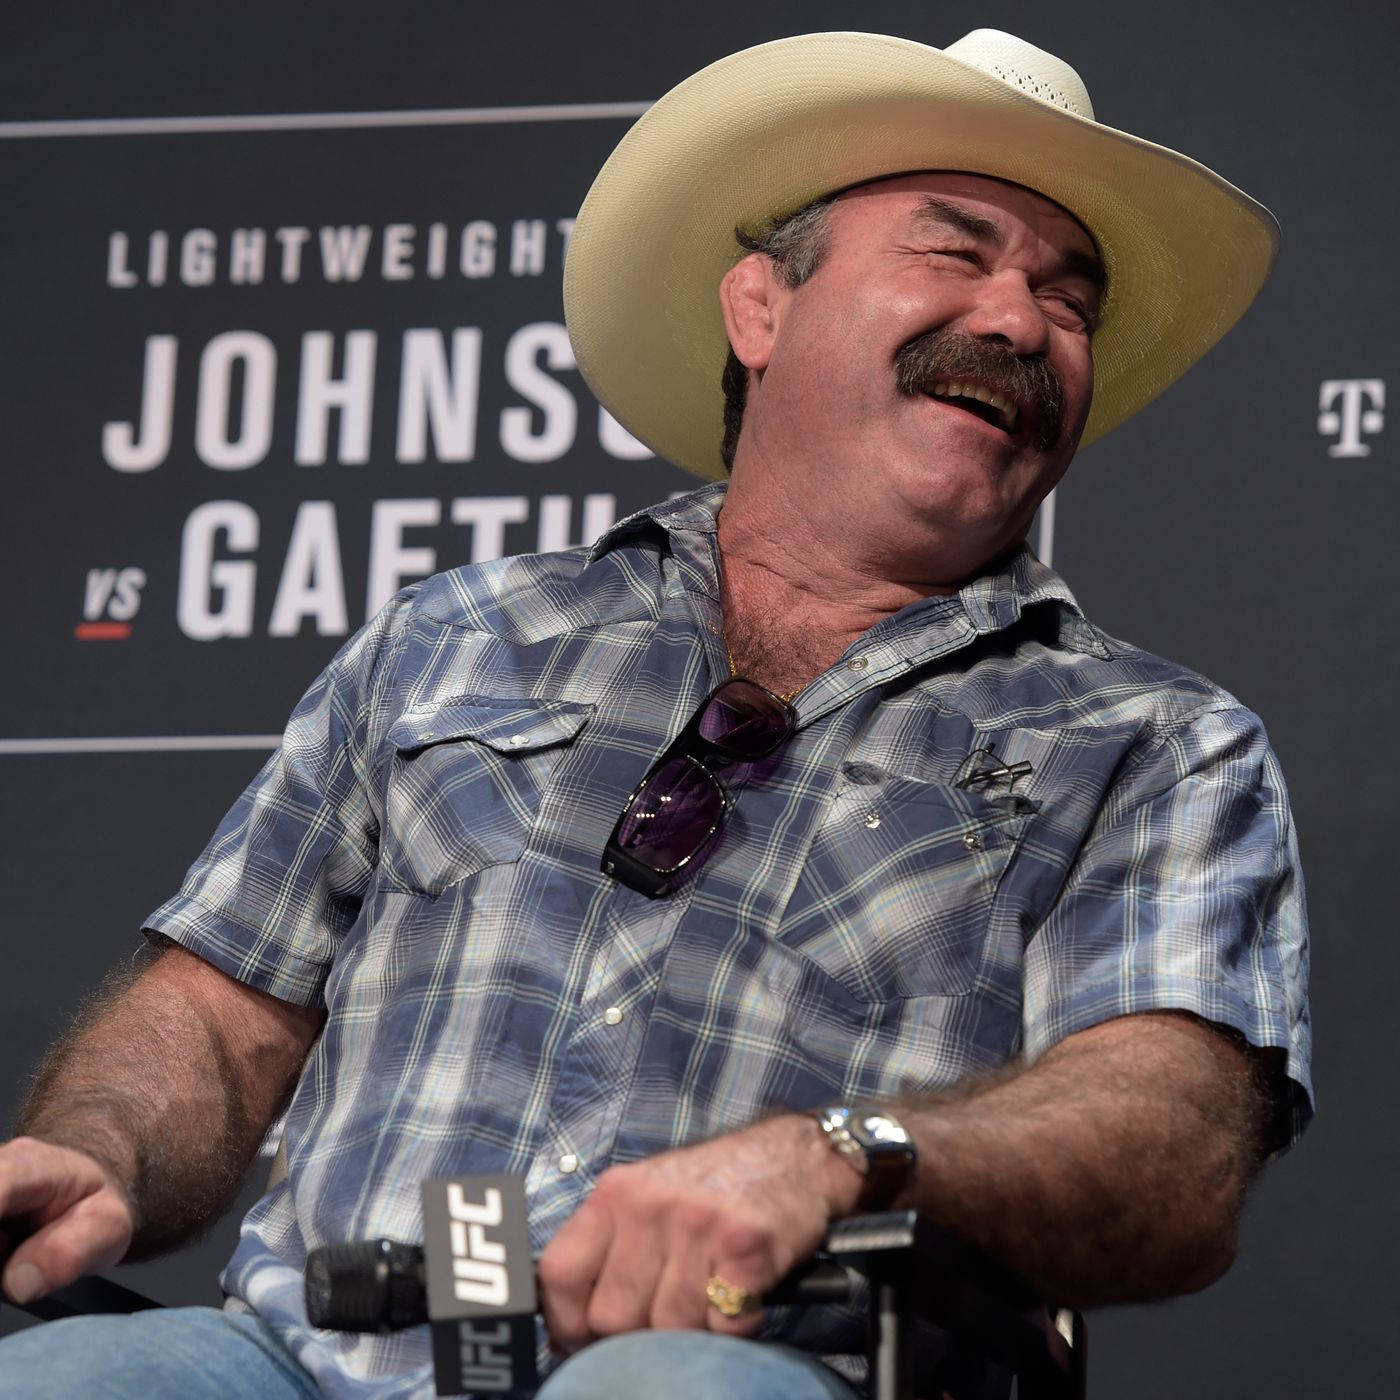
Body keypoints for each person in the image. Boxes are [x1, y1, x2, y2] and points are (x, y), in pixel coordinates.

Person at [0, 27, 1311, 1400]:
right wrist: (99, 1149)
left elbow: (1172, 1137)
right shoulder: (461, 633)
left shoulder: (1155, 740)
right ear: (761, 307)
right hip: (307, 1360)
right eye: (956, 252)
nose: (1018, 320)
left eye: (1068, 298)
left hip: (772, 1369)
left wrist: (844, 1153)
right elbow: (216, 1017)